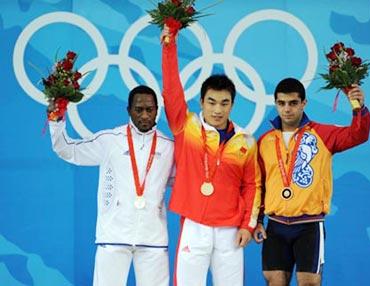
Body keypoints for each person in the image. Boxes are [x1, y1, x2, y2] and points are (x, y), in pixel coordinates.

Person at [160, 27, 261, 286]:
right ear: (201, 102)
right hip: (195, 226)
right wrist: (169, 45)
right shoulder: (186, 125)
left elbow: (252, 186)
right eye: (212, 102)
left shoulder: (246, 142)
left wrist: (247, 226)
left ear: (232, 104)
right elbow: (171, 90)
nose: (218, 109)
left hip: (230, 229)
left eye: (224, 103)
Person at [49, 85, 174, 286]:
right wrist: (56, 120)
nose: (144, 115)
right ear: (128, 110)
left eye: (150, 110)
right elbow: (67, 150)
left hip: (153, 239)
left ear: (157, 110)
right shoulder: (109, 140)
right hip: (113, 235)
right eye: (138, 109)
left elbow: (184, 181)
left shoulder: (169, 146)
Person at [253, 78, 370, 286]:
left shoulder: (323, 134)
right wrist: (257, 220)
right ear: (276, 104)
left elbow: (358, 134)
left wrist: (358, 107)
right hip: (276, 225)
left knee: (309, 282)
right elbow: (259, 185)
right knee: (274, 282)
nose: (287, 109)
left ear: (304, 103)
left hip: (308, 225)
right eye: (281, 103)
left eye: (293, 103)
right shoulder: (265, 141)